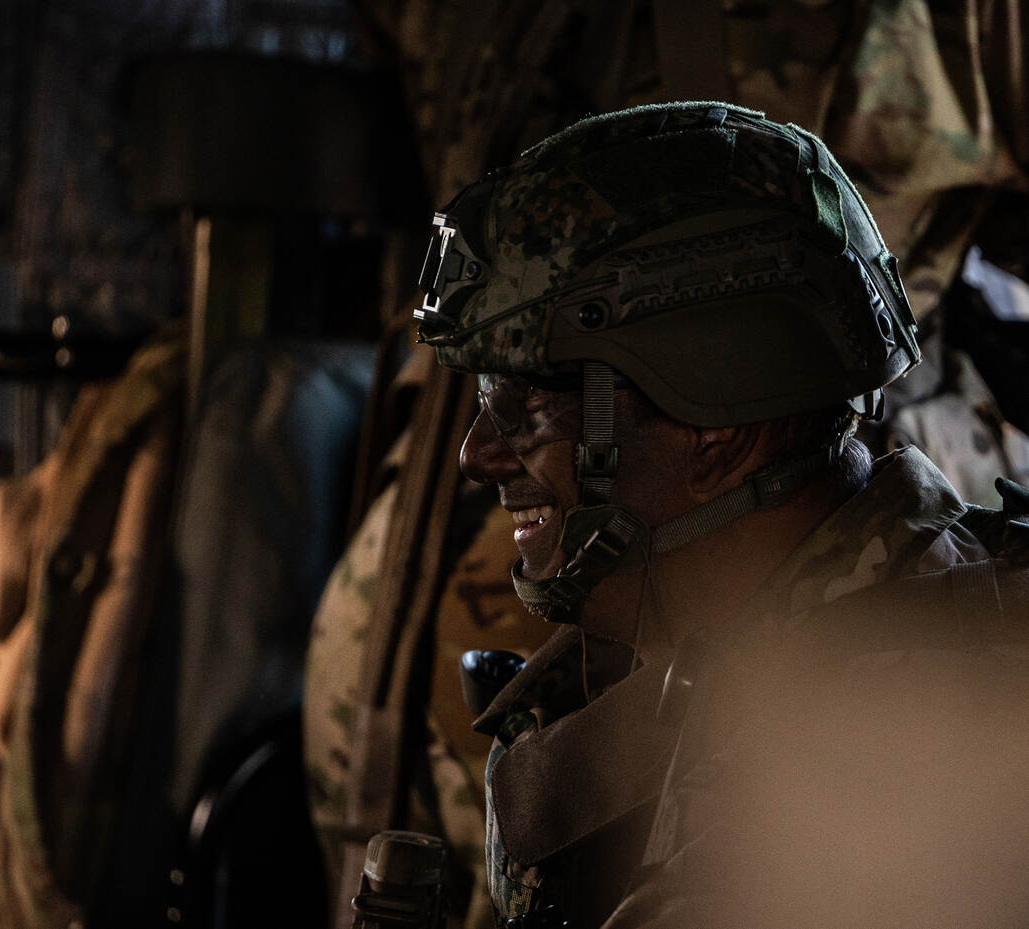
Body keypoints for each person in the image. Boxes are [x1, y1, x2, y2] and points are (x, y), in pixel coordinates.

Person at [413, 101, 1029, 929]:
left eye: (528, 406)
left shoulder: (874, 765)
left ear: (716, 435)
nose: (478, 454)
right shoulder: (696, 644)